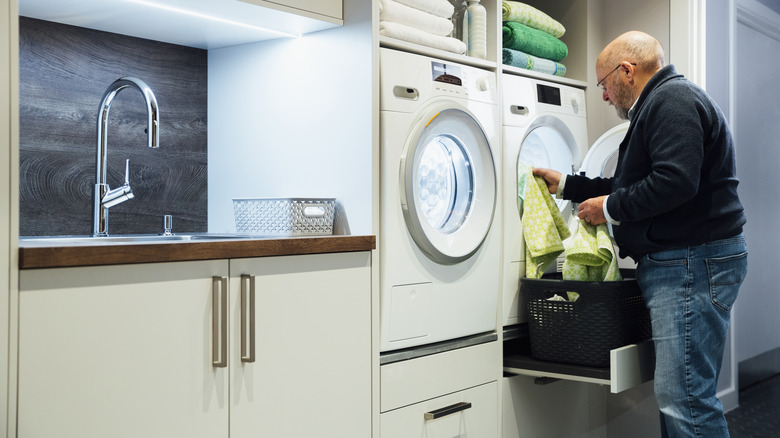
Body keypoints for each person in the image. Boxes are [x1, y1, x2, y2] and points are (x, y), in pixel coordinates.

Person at [534, 31, 748, 438]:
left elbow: (673, 182)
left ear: (626, 71)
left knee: (685, 399)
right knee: (679, 397)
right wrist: (567, 186)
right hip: (692, 261)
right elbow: (632, 183)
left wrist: (609, 209)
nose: (603, 96)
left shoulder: (672, 102)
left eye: (602, 84)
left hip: (691, 263)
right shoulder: (664, 102)